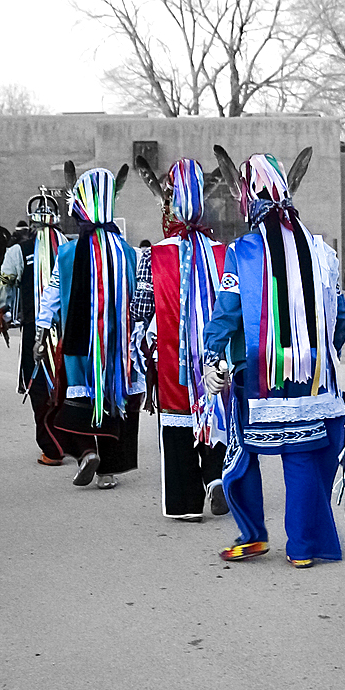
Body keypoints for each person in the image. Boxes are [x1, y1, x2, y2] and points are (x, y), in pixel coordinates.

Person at [204, 148, 345, 566]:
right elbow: (338, 315)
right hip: (312, 374)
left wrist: (213, 359)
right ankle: (302, 549)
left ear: (246, 200)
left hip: (257, 373)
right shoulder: (323, 253)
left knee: (242, 450)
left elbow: (227, 312)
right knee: (301, 453)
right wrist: (320, 357)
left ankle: (253, 535)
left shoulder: (242, 252)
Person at [131, 157, 229, 521]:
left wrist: (140, 347)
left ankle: (187, 501)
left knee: (178, 418)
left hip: (171, 355)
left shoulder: (152, 256)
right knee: (215, 408)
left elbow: (140, 309)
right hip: (215, 356)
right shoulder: (223, 253)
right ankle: (216, 477)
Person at [34, 166, 143, 489]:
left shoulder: (67, 253)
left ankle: (84, 452)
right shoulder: (128, 252)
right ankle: (108, 470)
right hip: (118, 348)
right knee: (113, 399)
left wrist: (41, 335)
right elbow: (138, 298)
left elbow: (51, 295)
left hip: (78, 347)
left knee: (71, 399)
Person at [0, 191, 69, 465]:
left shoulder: (18, 251)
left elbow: (5, 283)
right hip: (73, 333)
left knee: (40, 386)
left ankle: (52, 447)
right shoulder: (73, 248)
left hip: (37, 332)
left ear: (32, 223)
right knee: (71, 384)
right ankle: (73, 440)